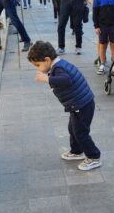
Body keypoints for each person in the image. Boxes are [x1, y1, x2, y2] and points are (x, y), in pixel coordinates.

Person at [28, 41, 101, 171]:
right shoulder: (58, 65)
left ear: (47, 59)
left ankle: (94, 157)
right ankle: (76, 151)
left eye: (38, 65)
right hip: (79, 104)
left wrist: (47, 79)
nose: (38, 68)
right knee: (72, 128)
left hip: (82, 105)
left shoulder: (59, 68)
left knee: (81, 133)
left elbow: (66, 81)